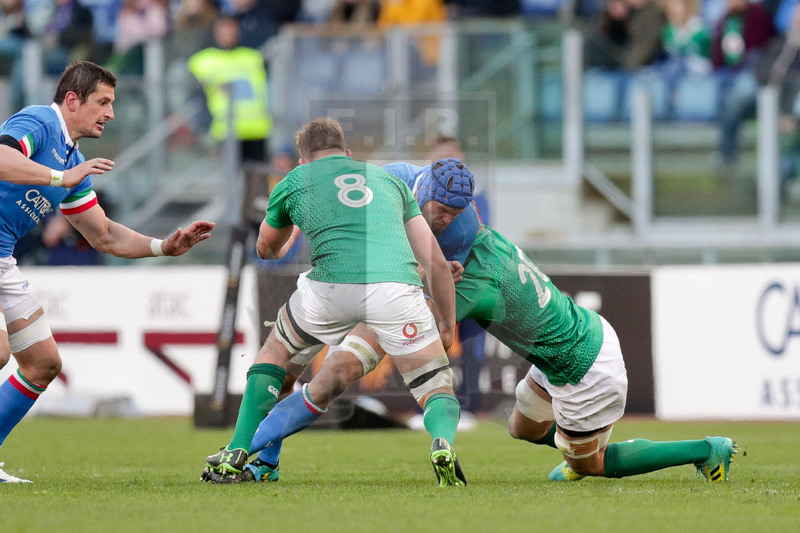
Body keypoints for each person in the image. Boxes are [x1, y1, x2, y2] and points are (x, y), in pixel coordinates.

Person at [219, 165, 739, 486]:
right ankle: (577, 446)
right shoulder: (450, 225)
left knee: (592, 468)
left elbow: (402, 326)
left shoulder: (468, 280)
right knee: (521, 428)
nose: (437, 223)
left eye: (446, 217)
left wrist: (352, 343)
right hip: (563, 351)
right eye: (434, 212)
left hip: (583, 364)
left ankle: (705, 449)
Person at [201, 117, 467, 487]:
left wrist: (285, 236)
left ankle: (238, 448)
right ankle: (441, 442)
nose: (449, 218)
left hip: (330, 288)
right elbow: (436, 262)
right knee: (436, 384)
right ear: (349, 153)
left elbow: (266, 249)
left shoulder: (293, 181)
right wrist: (445, 322)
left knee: (277, 352)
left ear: (302, 161)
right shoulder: (389, 180)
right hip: (395, 291)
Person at [0, 61, 216, 483]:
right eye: (103, 102)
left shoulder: (74, 158)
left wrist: (162, 246)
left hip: (3, 256)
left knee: (42, 364)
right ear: (72, 100)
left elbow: (104, 236)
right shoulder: (40, 121)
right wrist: (62, 177)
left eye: (112, 103)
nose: (110, 113)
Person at [187, 16, 272, 164]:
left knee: (257, 179)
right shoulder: (203, 61)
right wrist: (204, 124)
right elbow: (195, 95)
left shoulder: (253, 57)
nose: (228, 35)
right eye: (224, 31)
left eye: (231, 30)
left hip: (257, 128)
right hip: (225, 129)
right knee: (230, 179)